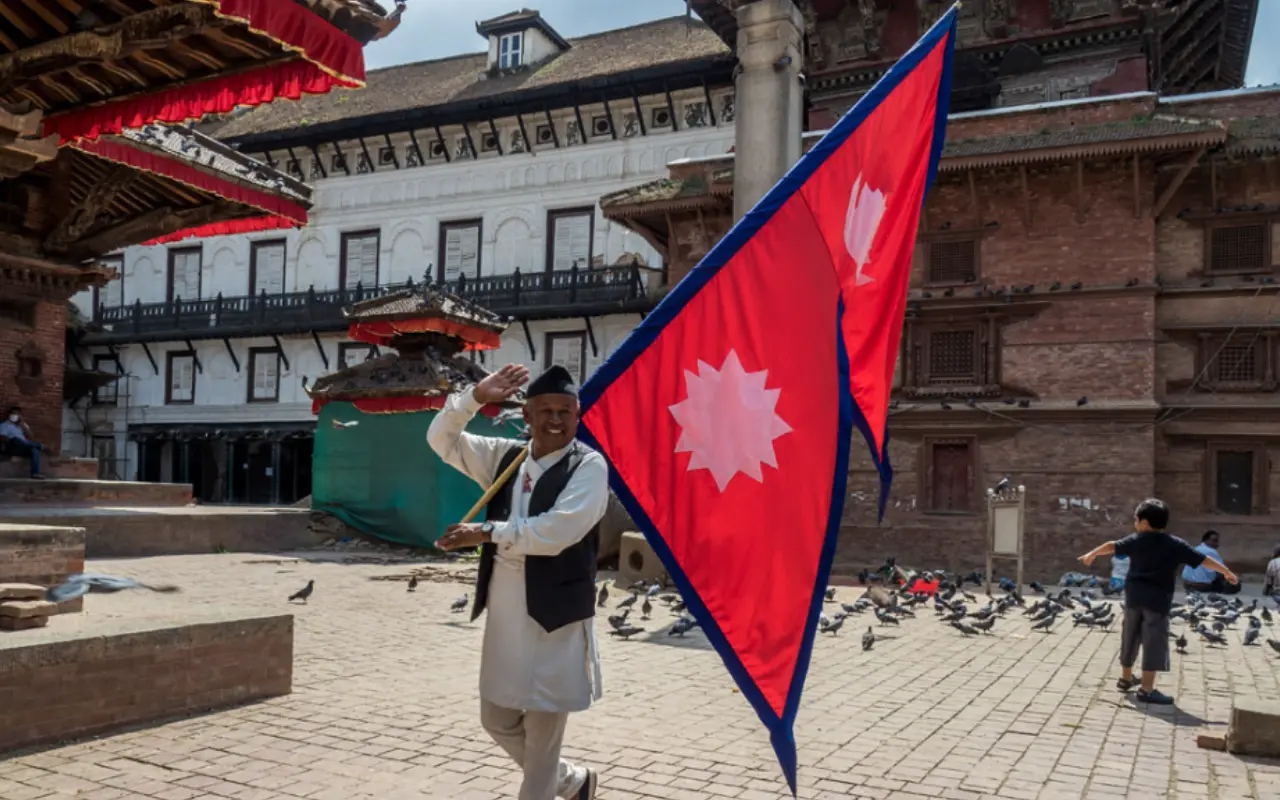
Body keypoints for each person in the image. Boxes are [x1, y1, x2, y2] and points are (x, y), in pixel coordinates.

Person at [427, 363, 605, 800]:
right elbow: (440, 440)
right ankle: (574, 781)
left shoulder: (589, 467)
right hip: (507, 615)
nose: (557, 420)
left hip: (555, 620)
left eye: (566, 411)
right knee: (496, 717)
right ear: (526, 416)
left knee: (543, 739)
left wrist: (487, 532)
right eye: (545, 410)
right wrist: (474, 399)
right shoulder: (505, 459)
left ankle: (551, 783)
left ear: (578, 415)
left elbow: (556, 532)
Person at [1078, 498, 1237, 705]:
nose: (1134, 522)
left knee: (1130, 635)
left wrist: (1092, 554)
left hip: (1133, 597)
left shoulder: (1136, 540)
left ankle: (1126, 679)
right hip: (1157, 601)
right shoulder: (1175, 544)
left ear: (1144, 523)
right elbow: (1202, 559)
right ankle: (1146, 689)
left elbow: (1112, 546)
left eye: (1136, 518)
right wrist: (1226, 572)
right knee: (1154, 641)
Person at [1182, 530, 1241, 595]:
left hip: (1186, 584)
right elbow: (1221, 571)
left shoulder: (1195, 549)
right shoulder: (1211, 551)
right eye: (1214, 541)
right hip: (1200, 586)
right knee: (1234, 584)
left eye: (1217, 541)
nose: (1217, 544)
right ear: (1205, 541)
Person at [0, 406, 44, 479]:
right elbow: (2, 437)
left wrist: (23, 426)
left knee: (34, 450)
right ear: (9, 415)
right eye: (13, 414)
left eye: (17, 414)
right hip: (11, 447)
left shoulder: (23, 425)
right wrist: (13, 440)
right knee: (16, 440)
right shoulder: (4, 425)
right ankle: (42, 446)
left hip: (23, 447)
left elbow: (32, 438)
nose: (14, 416)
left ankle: (35, 473)